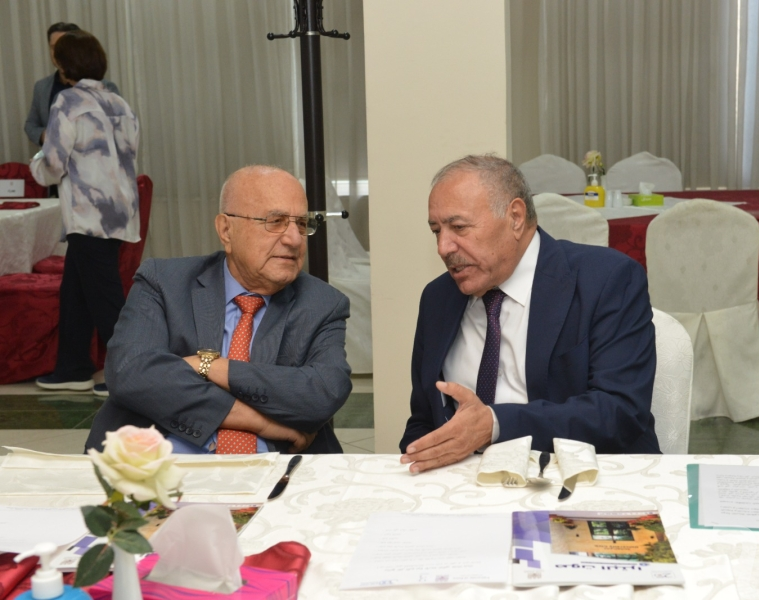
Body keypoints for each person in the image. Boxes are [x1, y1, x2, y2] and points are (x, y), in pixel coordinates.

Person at [400, 155, 660, 473]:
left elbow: (619, 412)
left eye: (458, 228)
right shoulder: (438, 298)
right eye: (436, 231)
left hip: (582, 478)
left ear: (515, 217)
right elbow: (424, 418)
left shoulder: (606, 280)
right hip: (466, 484)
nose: (443, 247)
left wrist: (495, 425)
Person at [85, 165, 352, 454]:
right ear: (226, 230)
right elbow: (131, 372)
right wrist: (261, 423)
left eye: (301, 223)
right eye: (275, 222)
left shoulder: (323, 303)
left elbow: (324, 392)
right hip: (159, 464)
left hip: (275, 468)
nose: (295, 239)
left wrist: (210, 366)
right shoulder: (164, 281)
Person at [30, 30, 139, 397]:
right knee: (75, 293)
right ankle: (73, 368)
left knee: (106, 299)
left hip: (89, 214)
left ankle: (130, 376)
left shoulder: (68, 101)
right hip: (119, 212)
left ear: (64, 66)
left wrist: (35, 165)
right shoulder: (119, 102)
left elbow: (53, 163)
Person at [24, 22, 120, 148]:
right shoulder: (42, 87)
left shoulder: (106, 89)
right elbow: (31, 124)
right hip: (54, 156)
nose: (57, 53)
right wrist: (45, 136)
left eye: (63, 48)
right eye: (53, 47)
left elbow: (116, 132)